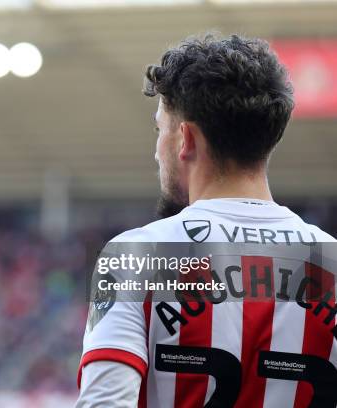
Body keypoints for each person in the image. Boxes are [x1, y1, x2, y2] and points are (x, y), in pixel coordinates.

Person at [75, 33, 337, 407]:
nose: (156, 150)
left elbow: (105, 402)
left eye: (159, 129)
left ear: (185, 139)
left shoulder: (137, 256)